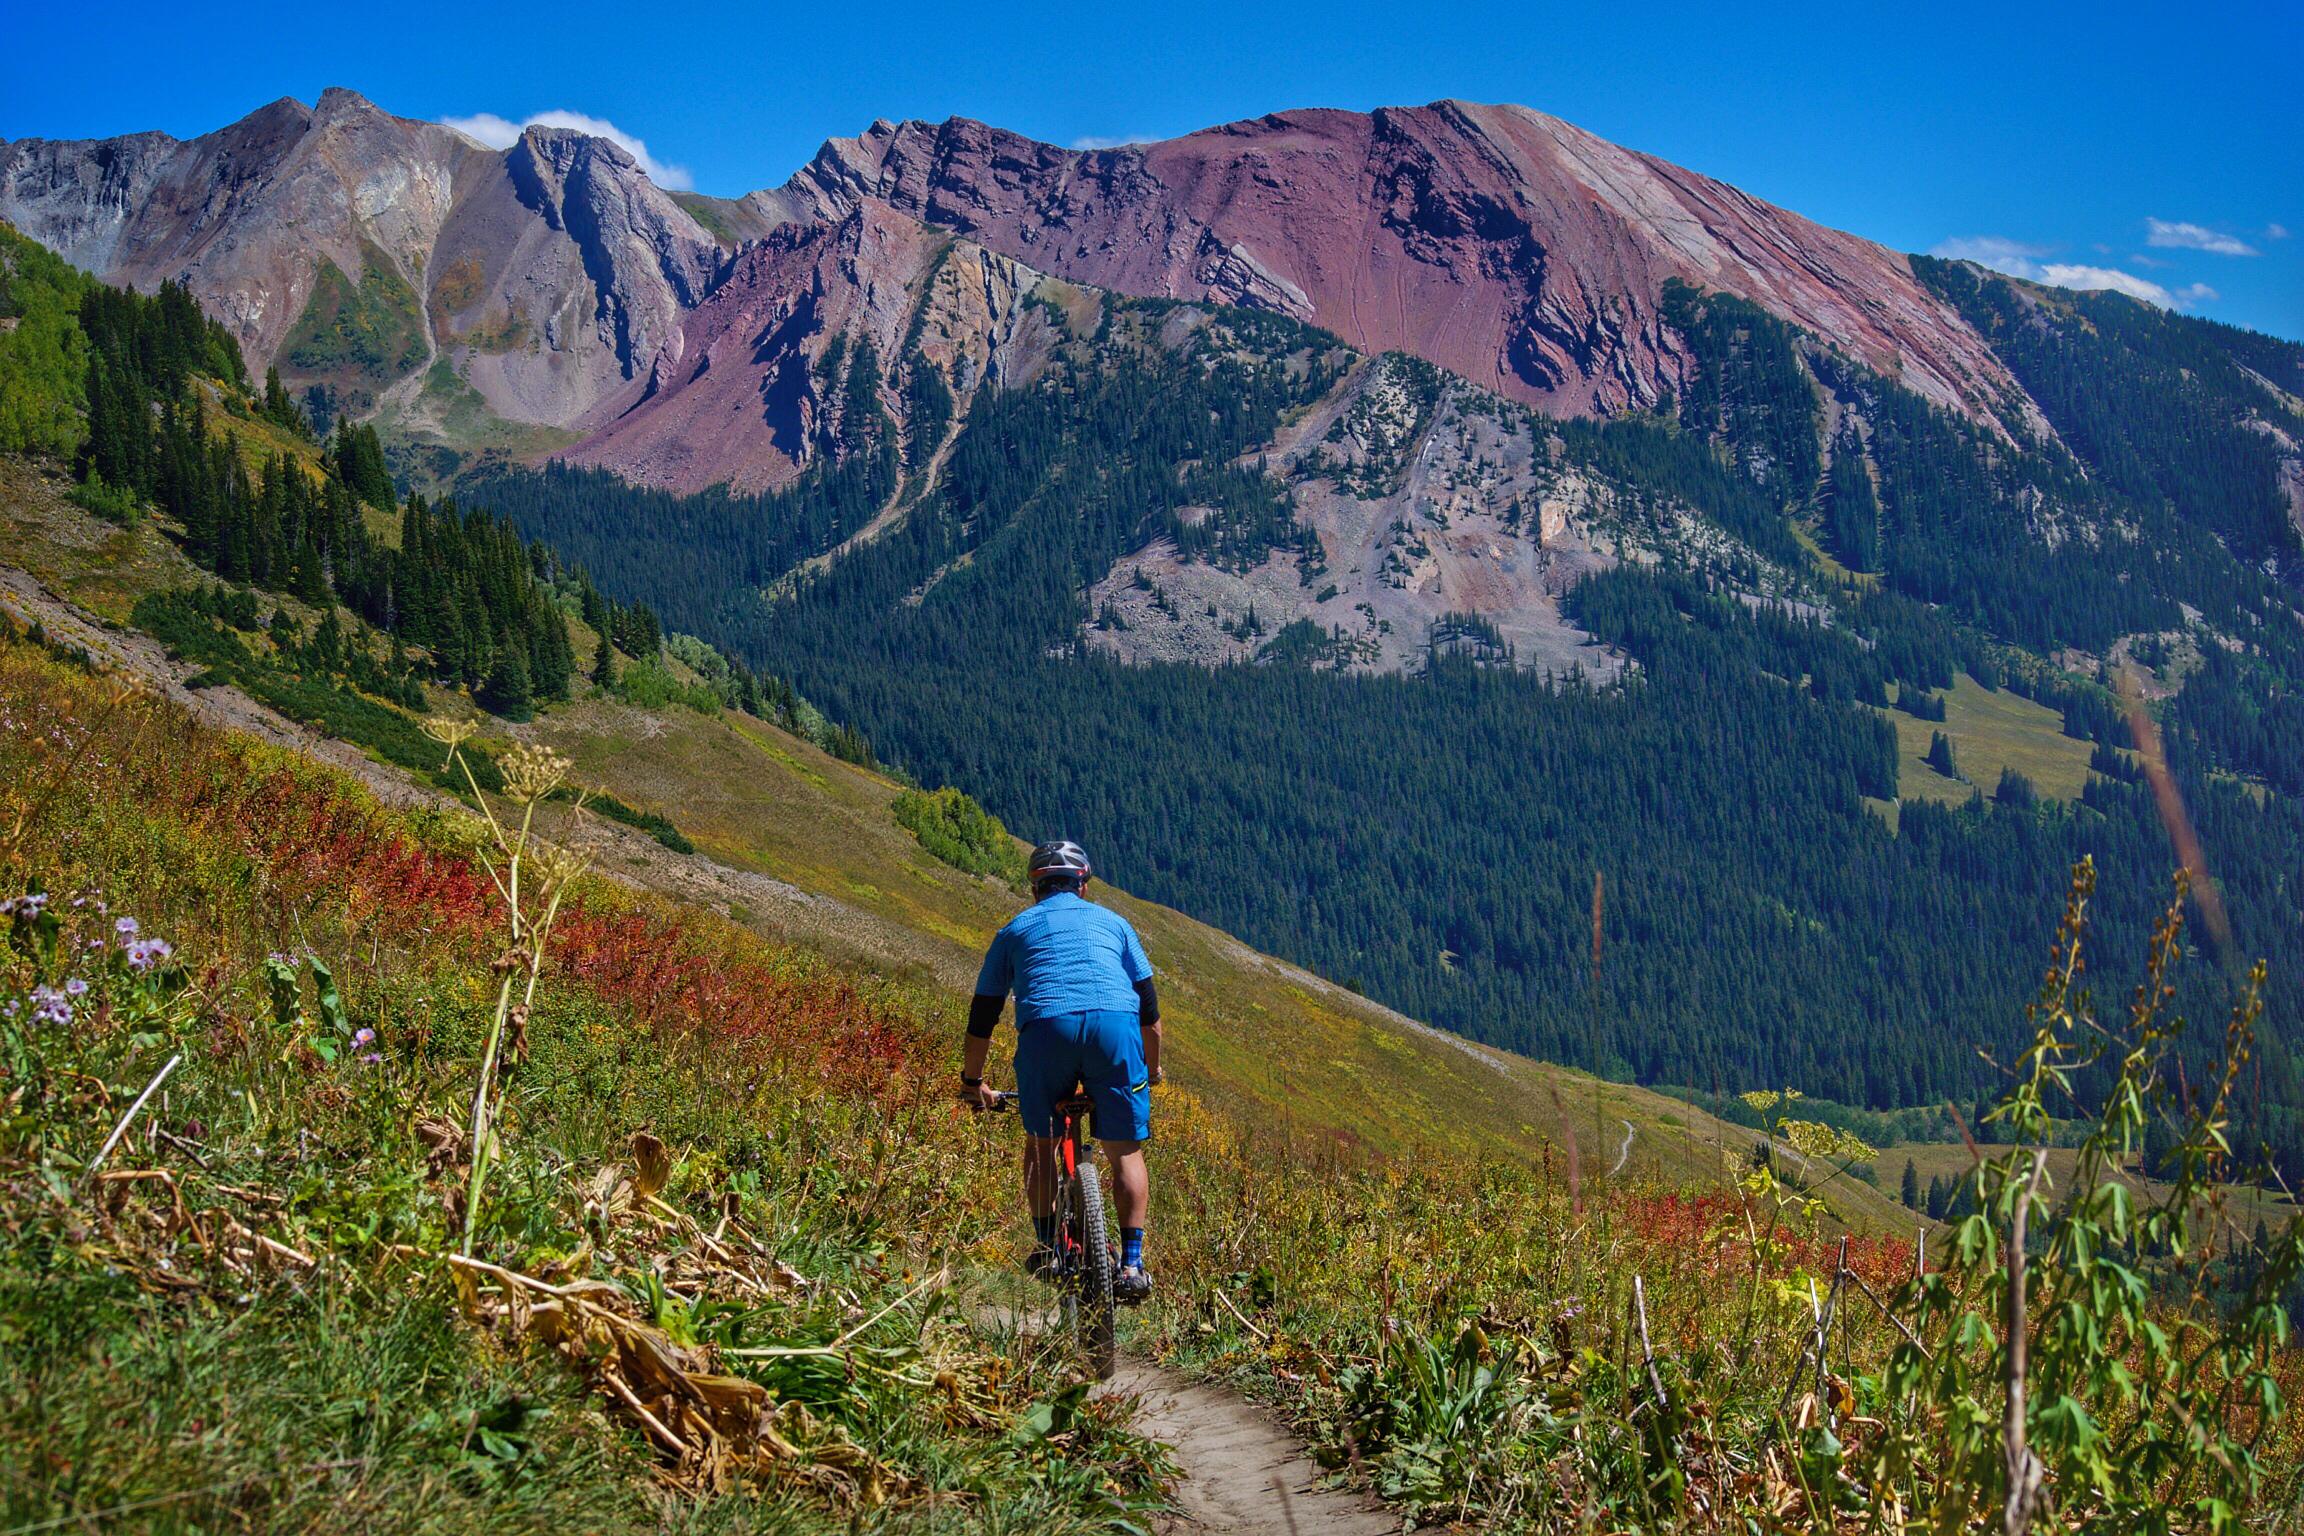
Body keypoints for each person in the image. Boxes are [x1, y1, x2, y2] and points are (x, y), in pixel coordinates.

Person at [961, 839, 1163, 1301]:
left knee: (1041, 1143)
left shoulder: (1013, 931)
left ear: (1035, 889)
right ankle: (1131, 1265)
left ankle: (1048, 1246)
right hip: (1116, 1031)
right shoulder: (1117, 924)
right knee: (1126, 1152)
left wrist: (972, 1082)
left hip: (1046, 1030)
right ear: (1084, 886)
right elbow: (1150, 1014)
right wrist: (1150, 1071)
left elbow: (983, 1016)